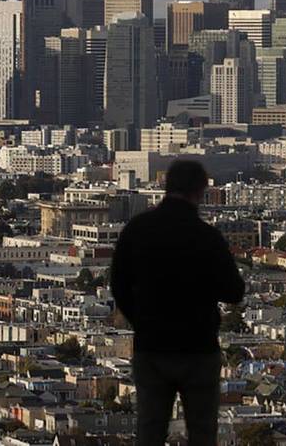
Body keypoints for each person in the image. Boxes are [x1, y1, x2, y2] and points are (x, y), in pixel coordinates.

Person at [111, 159, 245, 446]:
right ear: (201, 190)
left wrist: (142, 320)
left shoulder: (137, 230)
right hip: (198, 346)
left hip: (152, 345)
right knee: (202, 431)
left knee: (150, 428)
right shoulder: (207, 237)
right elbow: (234, 291)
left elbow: (118, 285)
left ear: (164, 186)